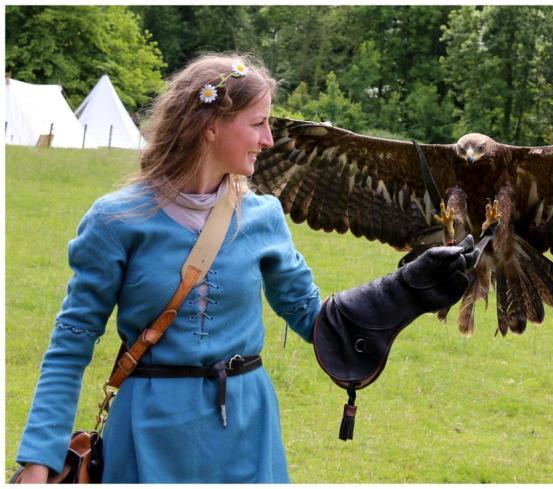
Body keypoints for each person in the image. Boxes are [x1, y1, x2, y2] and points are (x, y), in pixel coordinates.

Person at [14, 53, 475, 483]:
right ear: (211, 126)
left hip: (247, 429)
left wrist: (404, 290)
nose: (269, 140)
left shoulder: (263, 217)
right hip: (148, 432)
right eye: (258, 124)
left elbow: (311, 317)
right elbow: (71, 341)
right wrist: (40, 459)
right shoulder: (116, 220)